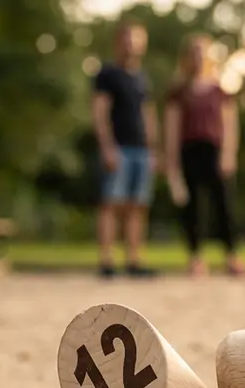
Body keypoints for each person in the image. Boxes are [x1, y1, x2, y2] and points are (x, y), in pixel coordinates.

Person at [164, 33, 245, 277]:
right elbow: (171, 127)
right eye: (194, 53)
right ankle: (196, 257)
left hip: (214, 151)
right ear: (187, 58)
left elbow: (230, 124)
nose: (199, 58)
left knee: (224, 204)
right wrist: (172, 163)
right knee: (192, 207)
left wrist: (228, 154)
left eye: (203, 52)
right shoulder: (179, 92)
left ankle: (231, 255)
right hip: (189, 151)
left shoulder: (219, 90)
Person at [90, 18, 159, 278]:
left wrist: (153, 149)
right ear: (118, 42)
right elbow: (99, 113)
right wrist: (107, 147)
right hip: (118, 148)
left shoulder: (142, 77)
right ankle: (107, 260)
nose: (132, 45)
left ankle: (134, 260)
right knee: (111, 204)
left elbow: (148, 113)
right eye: (128, 39)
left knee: (137, 206)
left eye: (136, 40)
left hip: (141, 150)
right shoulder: (107, 74)